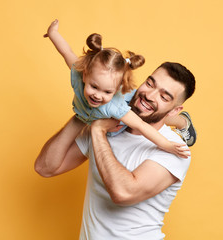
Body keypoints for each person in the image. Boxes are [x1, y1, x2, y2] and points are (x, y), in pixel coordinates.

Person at [35, 57, 196, 239]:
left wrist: (97, 130)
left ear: (174, 109)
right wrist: (83, 113)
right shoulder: (110, 127)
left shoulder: (176, 151)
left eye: (164, 96)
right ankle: (182, 122)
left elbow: (122, 193)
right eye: (150, 83)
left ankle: (183, 123)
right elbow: (45, 168)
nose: (149, 95)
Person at [43, 19, 189, 158]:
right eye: (94, 87)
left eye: (107, 92)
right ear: (85, 75)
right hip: (98, 113)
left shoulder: (115, 106)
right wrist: (53, 33)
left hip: (122, 106)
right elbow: (66, 52)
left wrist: (168, 146)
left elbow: (142, 126)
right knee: (143, 105)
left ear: (118, 87)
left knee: (142, 112)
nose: (98, 96)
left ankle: (182, 122)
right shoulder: (78, 74)